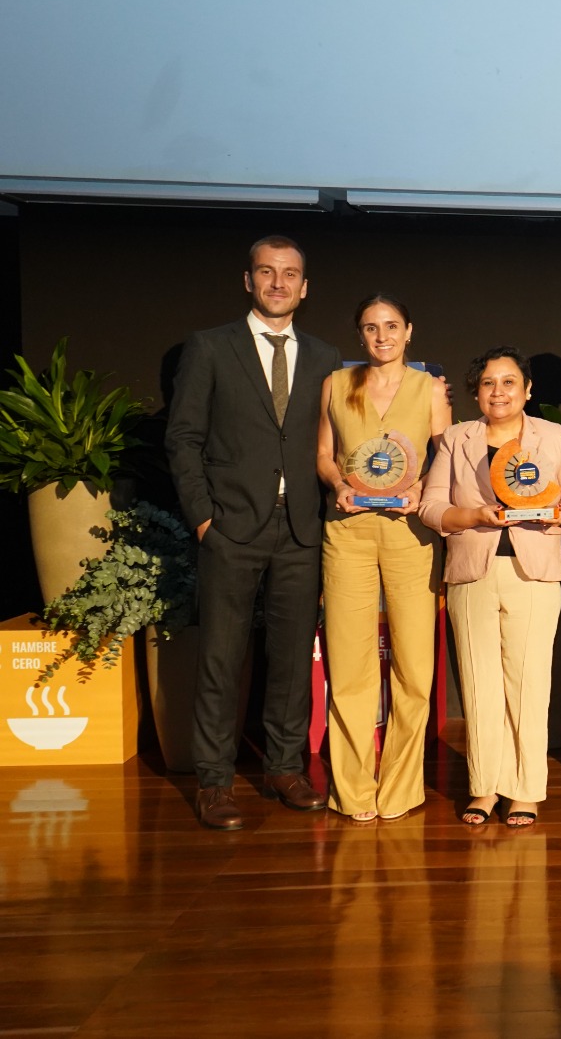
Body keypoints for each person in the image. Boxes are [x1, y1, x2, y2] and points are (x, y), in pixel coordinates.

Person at [166, 235, 342, 830]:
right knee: (221, 655)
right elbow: (183, 437)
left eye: (289, 273)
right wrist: (203, 518)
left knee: (292, 656)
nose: (277, 282)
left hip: (300, 528)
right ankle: (214, 781)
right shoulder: (210, 348)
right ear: (248, 280)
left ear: (304, 286)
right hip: (231, 527)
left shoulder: (324, 357)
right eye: (266, 272)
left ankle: (285, 767)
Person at [418, 347, 561, 826]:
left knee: (529, 684)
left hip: (533, 573)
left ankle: (525, 790)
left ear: (527, 390)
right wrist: (472, 515)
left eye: (509, 382)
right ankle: (484, 787)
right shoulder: (457, 438)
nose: (499, 391)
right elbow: (431, 508)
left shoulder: (551, 436)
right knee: (478, 684)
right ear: (476, 392)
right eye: (489, 383)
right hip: (472, 572)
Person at [315, 294, 451, 822]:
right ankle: (351, 791)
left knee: (414, 667)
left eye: (391, 326)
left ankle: (399, 788)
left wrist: (424, 490)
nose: (382, 336)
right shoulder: (336, 384)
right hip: (347, 530)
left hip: (410, 534)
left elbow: (445, 457)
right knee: (349, 664)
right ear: (360, 336)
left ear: (409, 331)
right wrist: (336, 485)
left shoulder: (430, 390)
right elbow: (324, 457)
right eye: (371, 328)